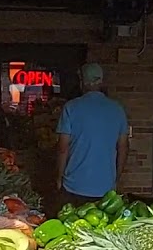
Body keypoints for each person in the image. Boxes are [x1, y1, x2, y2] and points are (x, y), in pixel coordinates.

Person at [55, 63, 129, 211]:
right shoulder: (117, 109)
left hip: (74, 185)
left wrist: (59, 177)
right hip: (105, 187)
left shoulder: (71, 107)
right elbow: (123, 148)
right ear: (101, 82)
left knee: (70, 228)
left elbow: (63, 148)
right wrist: (116, 179)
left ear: (82, 82)